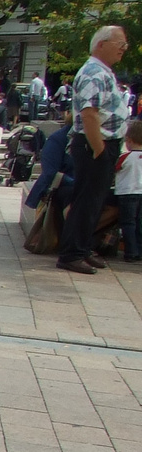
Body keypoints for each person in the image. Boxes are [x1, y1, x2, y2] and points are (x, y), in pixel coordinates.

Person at [59, 25, 130, 274]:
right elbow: (89, 114)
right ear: (101, 44)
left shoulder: (103, 72)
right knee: (87, 201)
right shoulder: (92, 72)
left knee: (94, 201)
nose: (124, 48)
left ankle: (82, 247)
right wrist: (99, 150)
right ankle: (72, 253)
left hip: (102, 145)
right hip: (95, 145)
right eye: (119, 43)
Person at [114, 119, 142, 262]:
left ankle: (130, 252)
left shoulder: (125, 157)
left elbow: (114, 170)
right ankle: (139, 250)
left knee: (128, 223)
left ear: (128, 140)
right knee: (139, 222)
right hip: (141, 191)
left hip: (127, 192)